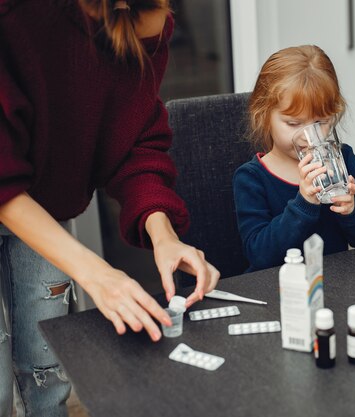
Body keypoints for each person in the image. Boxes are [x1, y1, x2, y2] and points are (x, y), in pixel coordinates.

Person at [0, 1, 220, 415]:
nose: (165, 21)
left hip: (44, 204)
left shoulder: (151, 21)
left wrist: (164, 234)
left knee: (47, 373)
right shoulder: (16, 17)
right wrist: (96, 274)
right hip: (10, 191)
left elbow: (134, 139)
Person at [233, 45, 355, 272]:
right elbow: (259, 255)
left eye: (320, 123)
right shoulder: (251, 179)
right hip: (277, 292)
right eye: (293, 123)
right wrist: (304, 204)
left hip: (336, 287)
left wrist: (352, 211)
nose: (306, 136)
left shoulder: (344, 161)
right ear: (263, 115)